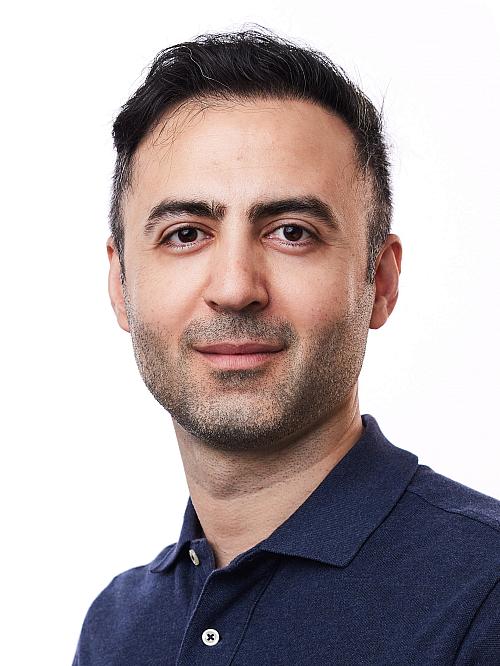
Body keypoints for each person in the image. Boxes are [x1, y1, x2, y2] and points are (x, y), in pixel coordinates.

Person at [73, 29, 500, 665]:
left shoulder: (485, 595)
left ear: (381, 282)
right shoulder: (117, 628)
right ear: (120, 284)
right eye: (186, 234)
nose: (235, 288)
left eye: (292, 232)